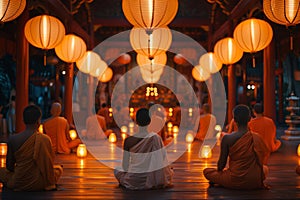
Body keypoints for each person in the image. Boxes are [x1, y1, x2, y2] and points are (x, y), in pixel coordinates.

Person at [203, 104, 269, 190]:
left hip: (234, 179)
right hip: (254, 180)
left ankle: (223, 181)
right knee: (265, 169)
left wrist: (221, 175)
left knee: (207, 172)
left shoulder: (227, 138)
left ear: (234, 120)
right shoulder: (257, 137)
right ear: (249, 119)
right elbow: (262, 159)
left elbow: (221, 165)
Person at [0, 105, 63, 191]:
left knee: (2, 171)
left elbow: (9, 166)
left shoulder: (13, 139)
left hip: (19, 181)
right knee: (58, 169)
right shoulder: (45, 139)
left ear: (23, 121)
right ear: (38, 121)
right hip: (40, 182)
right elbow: (48, 164)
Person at [114, 108, 173, 190]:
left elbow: (125, 166)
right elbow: (162, 160)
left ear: (136, 122)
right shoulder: (155, 138)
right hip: (153, 178)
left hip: (134, 179)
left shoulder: (128, 140)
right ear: (149, 122)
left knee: (117, 170)